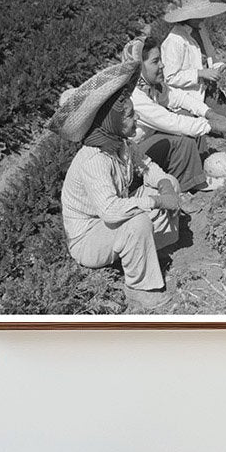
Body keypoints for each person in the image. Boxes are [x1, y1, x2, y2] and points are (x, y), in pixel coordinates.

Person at [58, 59, 181, 310]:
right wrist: (156, 201)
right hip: (89, 237)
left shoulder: (120, 144)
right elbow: (110, 211)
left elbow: (147, 166)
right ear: (111, 121)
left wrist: (165, 186)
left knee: (171, 183)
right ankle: (138, 289)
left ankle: (146, 255)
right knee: (137, 221)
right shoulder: (95, 159)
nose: (135, 119)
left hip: (107, 224)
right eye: (128, 115)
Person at [122, 34, 226, 192]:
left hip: (150, 143)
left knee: (190, 116)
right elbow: (169, 121)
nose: (162, 65)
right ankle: (191, 183)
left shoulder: (151, 85)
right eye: (155, 61)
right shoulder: (135, 96)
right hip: (134, 160)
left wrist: (209, 113)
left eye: (160, 59)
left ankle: (198, 164)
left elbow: (179, 98)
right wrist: (211, 126)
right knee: (182, 138)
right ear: (139, 67)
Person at [161, 0, 226, 111]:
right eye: (198, 15)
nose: (203, 18)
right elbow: (170, 78)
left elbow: (210, 60)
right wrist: (199, 74)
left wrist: (223, 67)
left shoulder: (200, 29)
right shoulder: (175, 40)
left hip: (207, 91)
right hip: (189, 99)